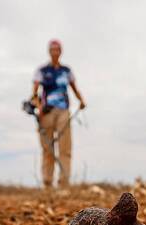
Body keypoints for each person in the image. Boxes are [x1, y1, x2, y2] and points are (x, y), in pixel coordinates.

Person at [31, 39, 86, 188]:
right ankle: (47, 183)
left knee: (65, 148)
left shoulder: (66, 71)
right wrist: (37, 107)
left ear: (60, 51)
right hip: (47, 111)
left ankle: (64, 183)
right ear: (49, 51)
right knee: (47, 148)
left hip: (63, 111)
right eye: (52, 49)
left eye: (57, 49)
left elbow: (75, 88)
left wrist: (81, 100)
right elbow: (34, 92)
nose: (55, 51)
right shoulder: (42, 71)